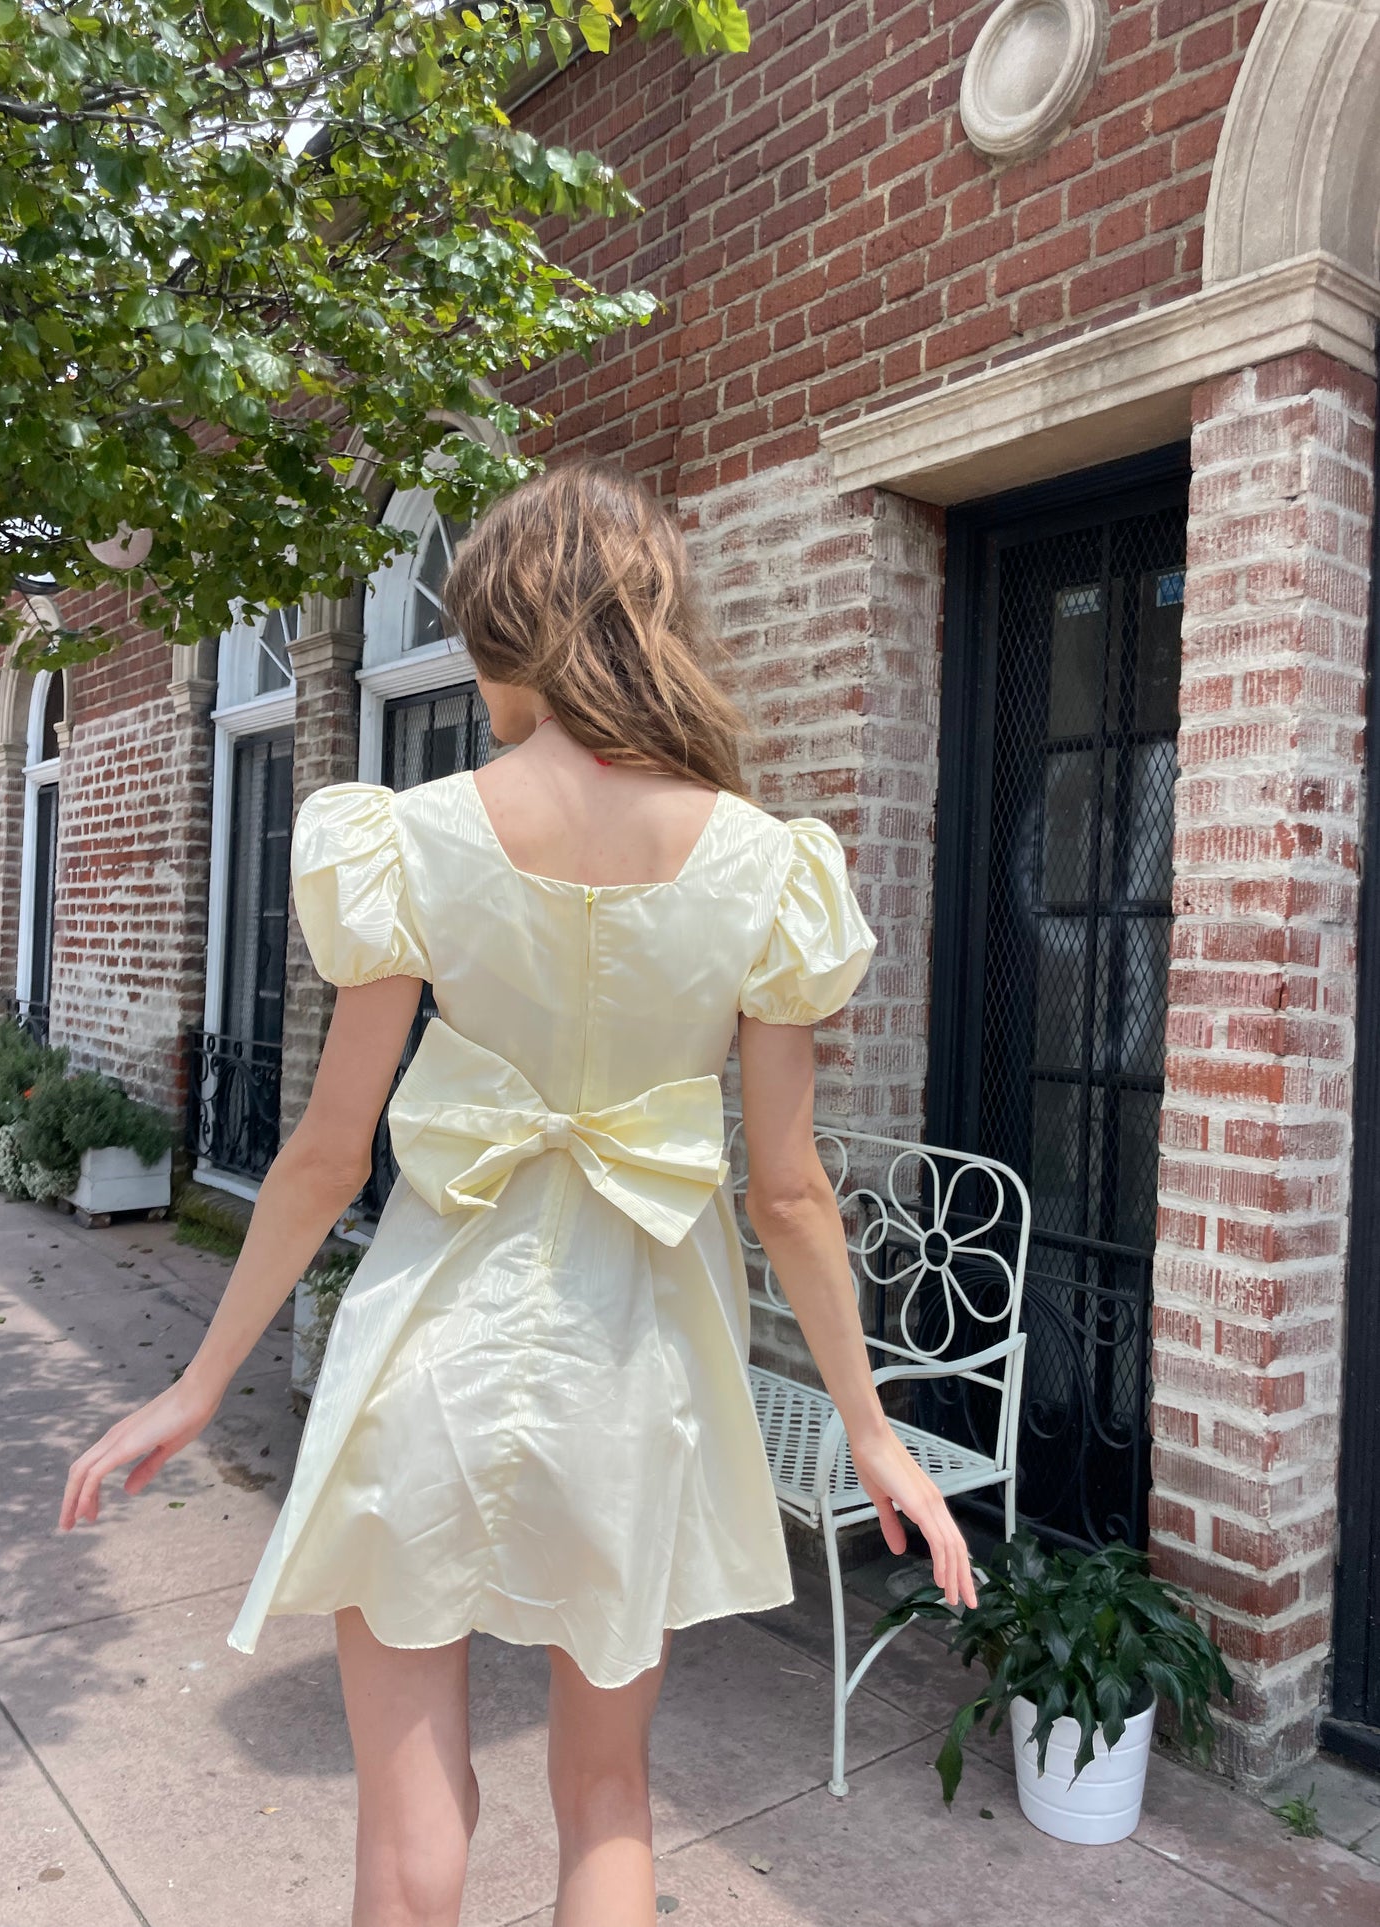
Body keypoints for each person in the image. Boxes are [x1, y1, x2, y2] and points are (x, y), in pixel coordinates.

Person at [57, 460, 978, 1927]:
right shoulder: (766, 867)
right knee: (609, 1805)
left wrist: (196, 1381)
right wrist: (869, 1428)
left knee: (408, 1838)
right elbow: (790, 1194)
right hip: (640, 1373)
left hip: (427, 1347)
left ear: (503, 630)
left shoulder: (407, 835)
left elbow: (324, 1153)